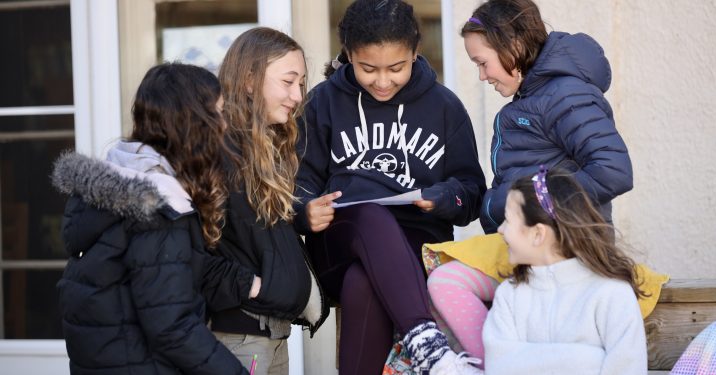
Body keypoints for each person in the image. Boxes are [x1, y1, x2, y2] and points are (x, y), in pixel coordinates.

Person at [427, 0, 634, 363]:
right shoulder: (534, 100)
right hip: (529, 249)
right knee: (438, 274)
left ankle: (493, 366)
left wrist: (542, 209)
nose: (481, 76)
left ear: (514, 46)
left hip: (560, 252)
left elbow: (612, 169)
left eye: (482, 62)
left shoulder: (565, 96)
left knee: (447, 280)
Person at [294, 0, 487, 373]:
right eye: (368, 68)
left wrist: (444, 197)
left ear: (415, 53)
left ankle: (421, 341)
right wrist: (304, 212)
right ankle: (427, 343)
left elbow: (472, 193)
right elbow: (296, 185)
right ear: (349, 55)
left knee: (364, 280)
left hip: (415, 250)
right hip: (339, 242)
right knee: (368, 213)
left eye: (396, 68)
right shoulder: (323, 103)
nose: (382, 81)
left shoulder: (444, 107)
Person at [52, 63, 255, 374]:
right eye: (219, 113)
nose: (225, 125)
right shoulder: (157, 208)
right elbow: (172, 327)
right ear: (193, 123)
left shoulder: (122, 186)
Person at [210, 27, 328, 374]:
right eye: (288, 81)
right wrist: (256, 286)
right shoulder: (219, 154)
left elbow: (255, 233)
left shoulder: (266, 149)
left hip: (271, 333)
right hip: (238, 337)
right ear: (248, 80)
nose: (297, 95)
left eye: (302, 83)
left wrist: (301, 216)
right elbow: (198, 253)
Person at [484, 168, 647, 374]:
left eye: (507, 220)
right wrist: (589, 360)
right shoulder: (509, 294)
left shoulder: (612, 294)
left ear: (537, 234)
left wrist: (525, 361)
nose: (500, 229)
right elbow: (499, 368)